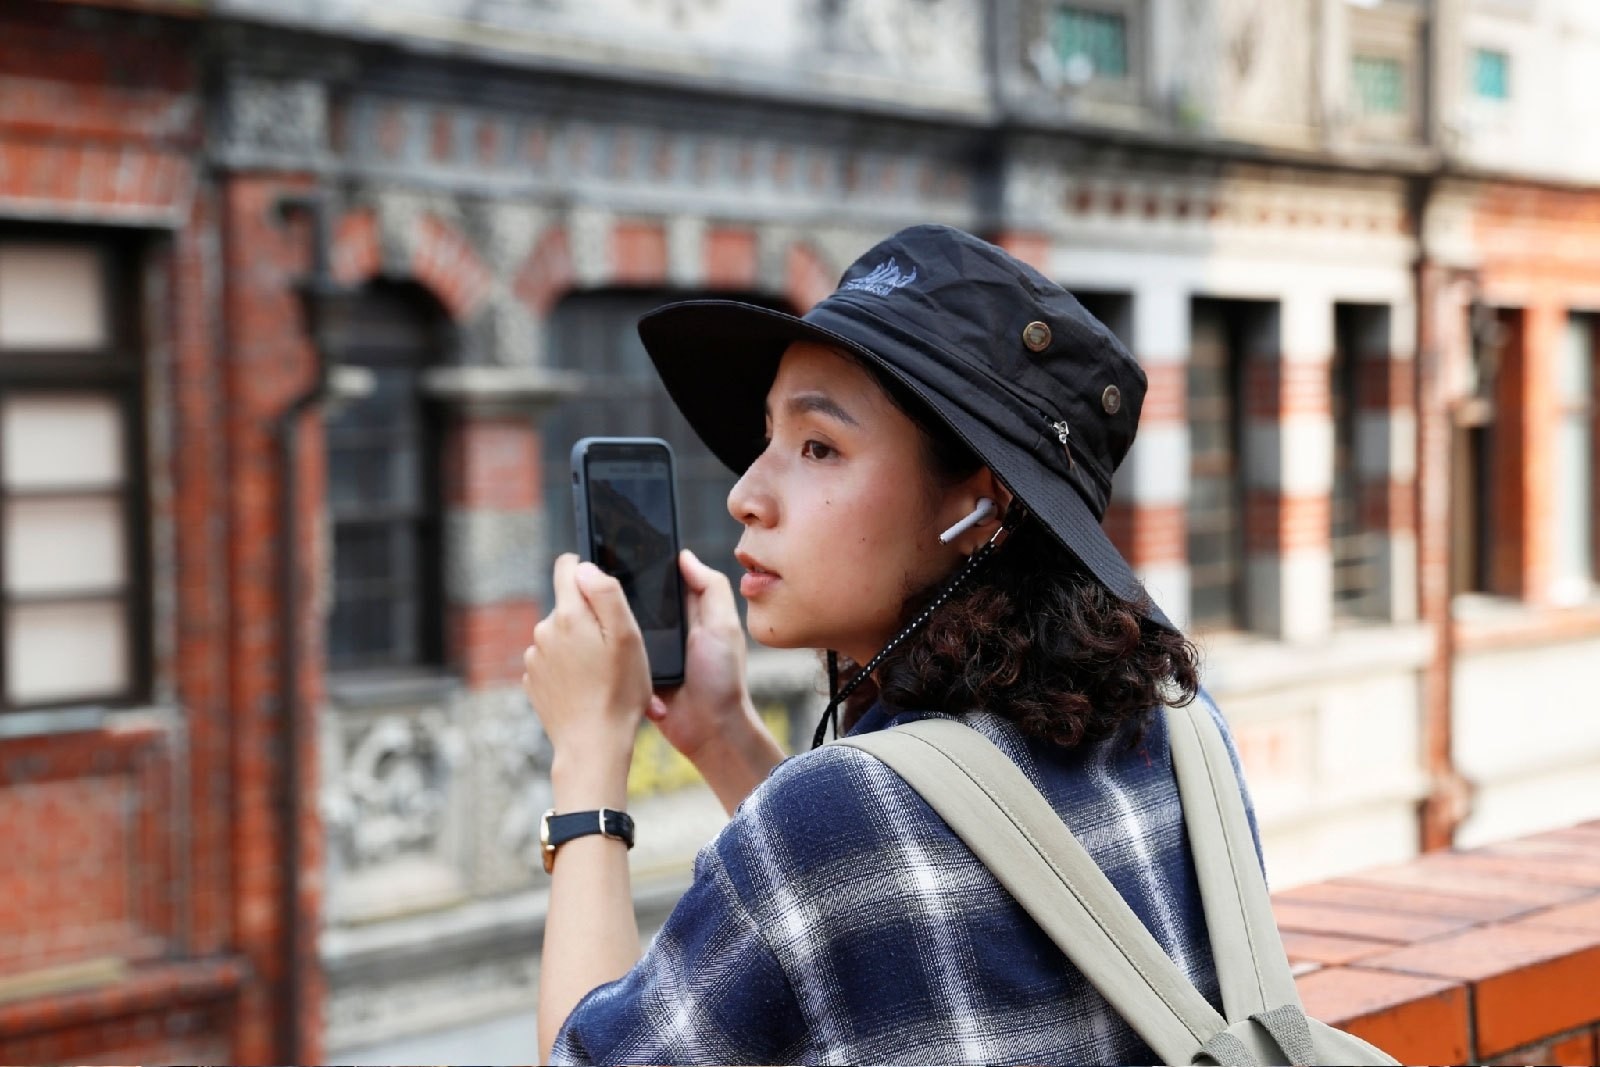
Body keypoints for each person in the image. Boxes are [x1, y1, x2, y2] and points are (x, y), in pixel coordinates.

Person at [521, 224, 1260, 1064]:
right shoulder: (1183, 734)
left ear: (980, 511)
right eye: (767, 438)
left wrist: (587, 752)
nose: (745, 494)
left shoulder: (822, 823)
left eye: (817, 446)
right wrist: (723, 731)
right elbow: (889, 903)